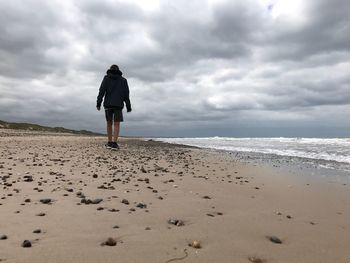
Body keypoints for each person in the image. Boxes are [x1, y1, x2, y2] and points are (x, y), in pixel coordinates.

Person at [96, 65, 131, 150]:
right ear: (118, 70)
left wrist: (98, 103)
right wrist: (128, 106)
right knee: (116, 124)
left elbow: (102, 91)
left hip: (108, 104)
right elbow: (126, 94)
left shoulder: (106, 78)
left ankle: (109, 142)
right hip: (118, 105)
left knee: (109, 123)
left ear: (110, 70)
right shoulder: (123, 80)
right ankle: (114, 144)